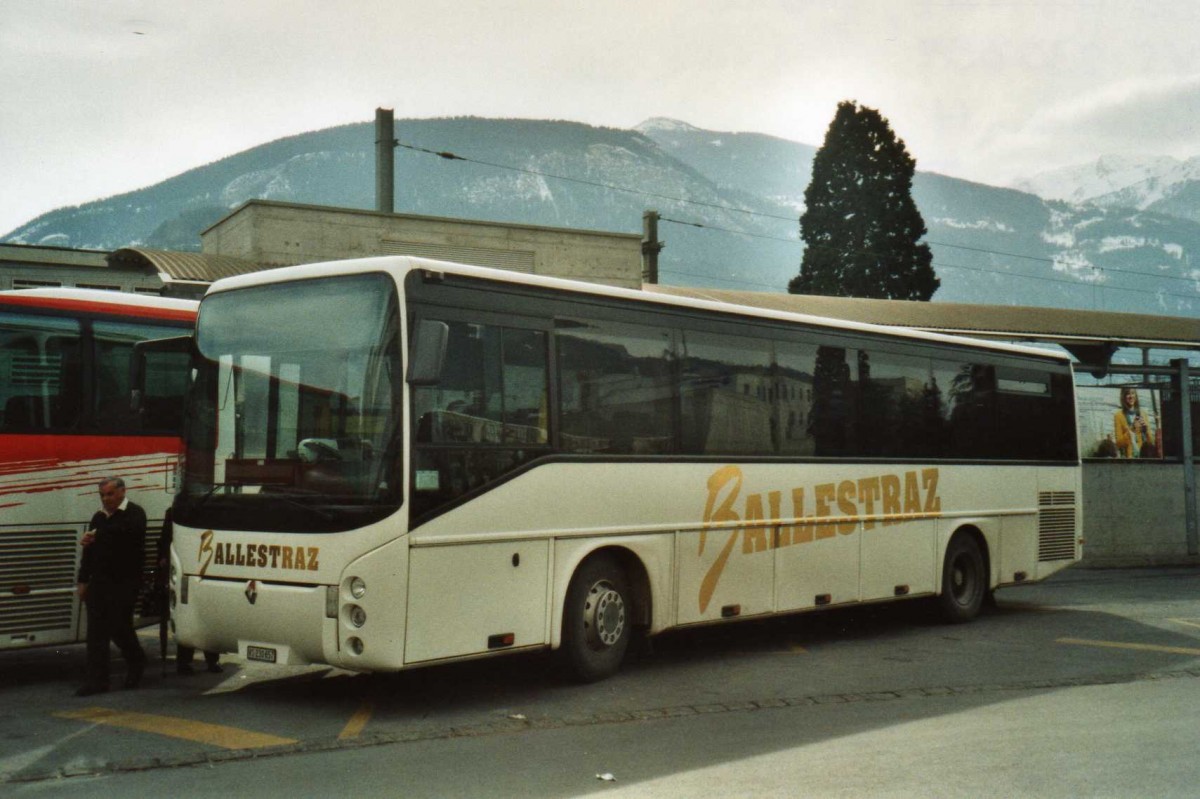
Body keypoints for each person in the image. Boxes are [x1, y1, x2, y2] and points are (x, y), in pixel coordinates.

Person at [75, 477, 148, 696]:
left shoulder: (135, 513)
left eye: (109, 494)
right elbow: (88, 553)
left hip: (125, 582)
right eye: (103, 495)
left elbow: (127, 534)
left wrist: (96, 535)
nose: (106, 499)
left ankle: (136, 661)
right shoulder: (99, 517)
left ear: (122, 492)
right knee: (96, 632)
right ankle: (97, 681)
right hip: (99, 581)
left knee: (119, 626)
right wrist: (83, 579)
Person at [157, 508, 222, 675]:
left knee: (207, 615)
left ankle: (209, 660)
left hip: (205, 568)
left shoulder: (179, 512)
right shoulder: (175, 512)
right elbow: (165, 541)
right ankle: (186, 662)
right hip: (186, 569)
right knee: (187, 615)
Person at [1113, 387, 1152, 459]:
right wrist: (1132, 429)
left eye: (1133, 393)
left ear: (1136, 396)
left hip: (1144, 456)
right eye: (1128, 394)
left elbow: (1151, 442)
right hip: (1129, 459)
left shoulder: (1143, 414)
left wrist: (1146, 431)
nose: (1131, 396)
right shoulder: (1118, 416)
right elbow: (1118, 443)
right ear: (1123, 397)